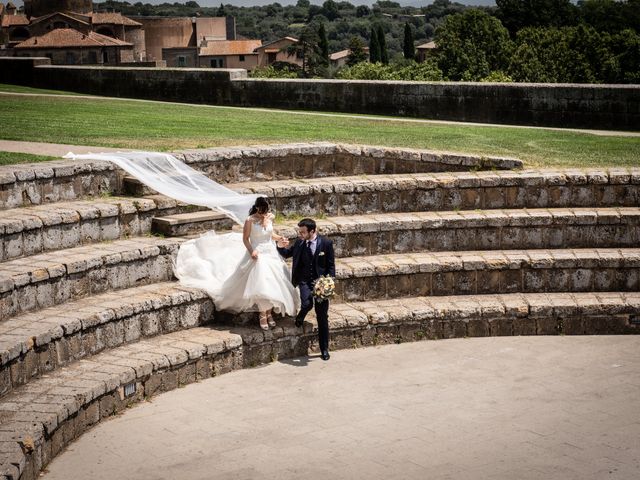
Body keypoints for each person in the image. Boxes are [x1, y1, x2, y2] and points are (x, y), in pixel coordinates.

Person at [175, 197, 300, 330]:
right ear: (257, 208)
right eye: (262, 210)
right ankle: (263, 314)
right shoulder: (250, 220)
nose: (265, 213)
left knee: (273, 282)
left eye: (266, 210)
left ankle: (269, 312)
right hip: (257, 253)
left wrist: (280, 238)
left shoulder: (269, 217)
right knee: (263, 282)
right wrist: (252, 251)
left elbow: (270, 234)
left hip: (270, 252)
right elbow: (246, 239)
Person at [277, 218, 336, 361]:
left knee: (322, 317)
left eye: (303, 232)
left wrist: (329, 282)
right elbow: (286, 253)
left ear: (312, 231)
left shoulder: (326, 243)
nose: (300, 234)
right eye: (300, 231)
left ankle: (324, 349)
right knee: (306, 304)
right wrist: (278, 246)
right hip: (304, 280)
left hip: (321, 282)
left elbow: (331, 265)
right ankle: (300, 316)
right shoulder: (299, 243)